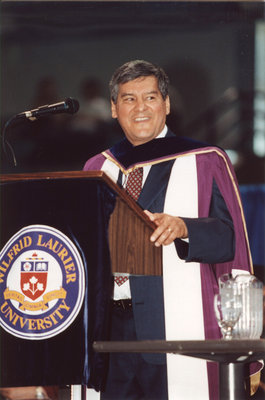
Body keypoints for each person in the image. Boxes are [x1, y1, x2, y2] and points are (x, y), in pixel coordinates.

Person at [83, 60, 259, 400]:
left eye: (150, 97)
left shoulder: (205, 160)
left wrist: (183, 228)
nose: (140, 108)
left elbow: (230, 242)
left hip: (178, 330)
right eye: (128, 99)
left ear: (166, 104)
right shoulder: (96, 167)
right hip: (107, 336)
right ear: (113, 108)